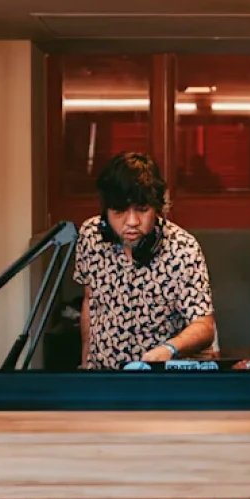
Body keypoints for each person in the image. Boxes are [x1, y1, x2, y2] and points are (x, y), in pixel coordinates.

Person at [74, 152, 217, 370]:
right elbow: (89, 301)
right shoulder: (90, 236)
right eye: (120, 211)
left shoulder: (183, 248)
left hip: (159, 383)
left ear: (157, 208)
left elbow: (204, 326)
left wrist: (169, 349)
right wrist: (85, 363)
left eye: (142, 210)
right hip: (103, 378)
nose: (132, 222)